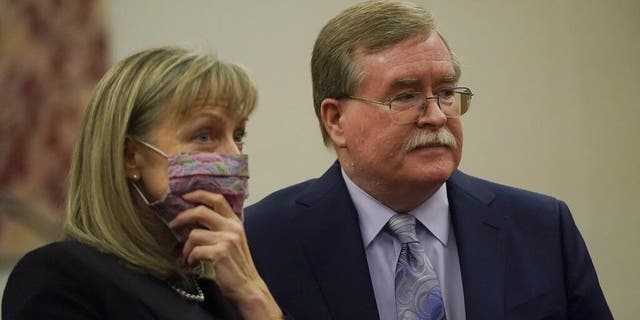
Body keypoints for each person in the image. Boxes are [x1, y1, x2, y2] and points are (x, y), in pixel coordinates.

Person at [244, 1, 613, 319]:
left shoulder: (542, 228)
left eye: (446, 92)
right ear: (336, 120)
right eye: (404, 96)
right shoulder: (263, 241)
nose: (436, 116)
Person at [2, 47, 285, 319]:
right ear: (130, 156)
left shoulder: (220, 286)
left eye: (238, 134)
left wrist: (254, 296)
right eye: (204, 135)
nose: (233, 155)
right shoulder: (61, 276)